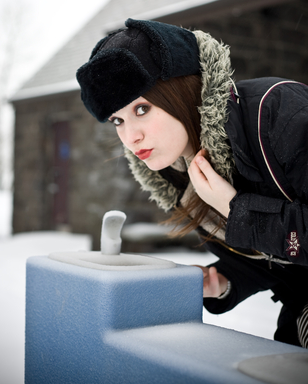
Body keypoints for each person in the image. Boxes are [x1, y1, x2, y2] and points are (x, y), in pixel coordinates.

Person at [76, 18, 308, 348]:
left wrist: (234, 208)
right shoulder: (179, 174)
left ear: (182, 90)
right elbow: (276, 259)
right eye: (118, 120)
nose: (131, 136)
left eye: (142, 108)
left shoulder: (278, 112)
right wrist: (225, 280)